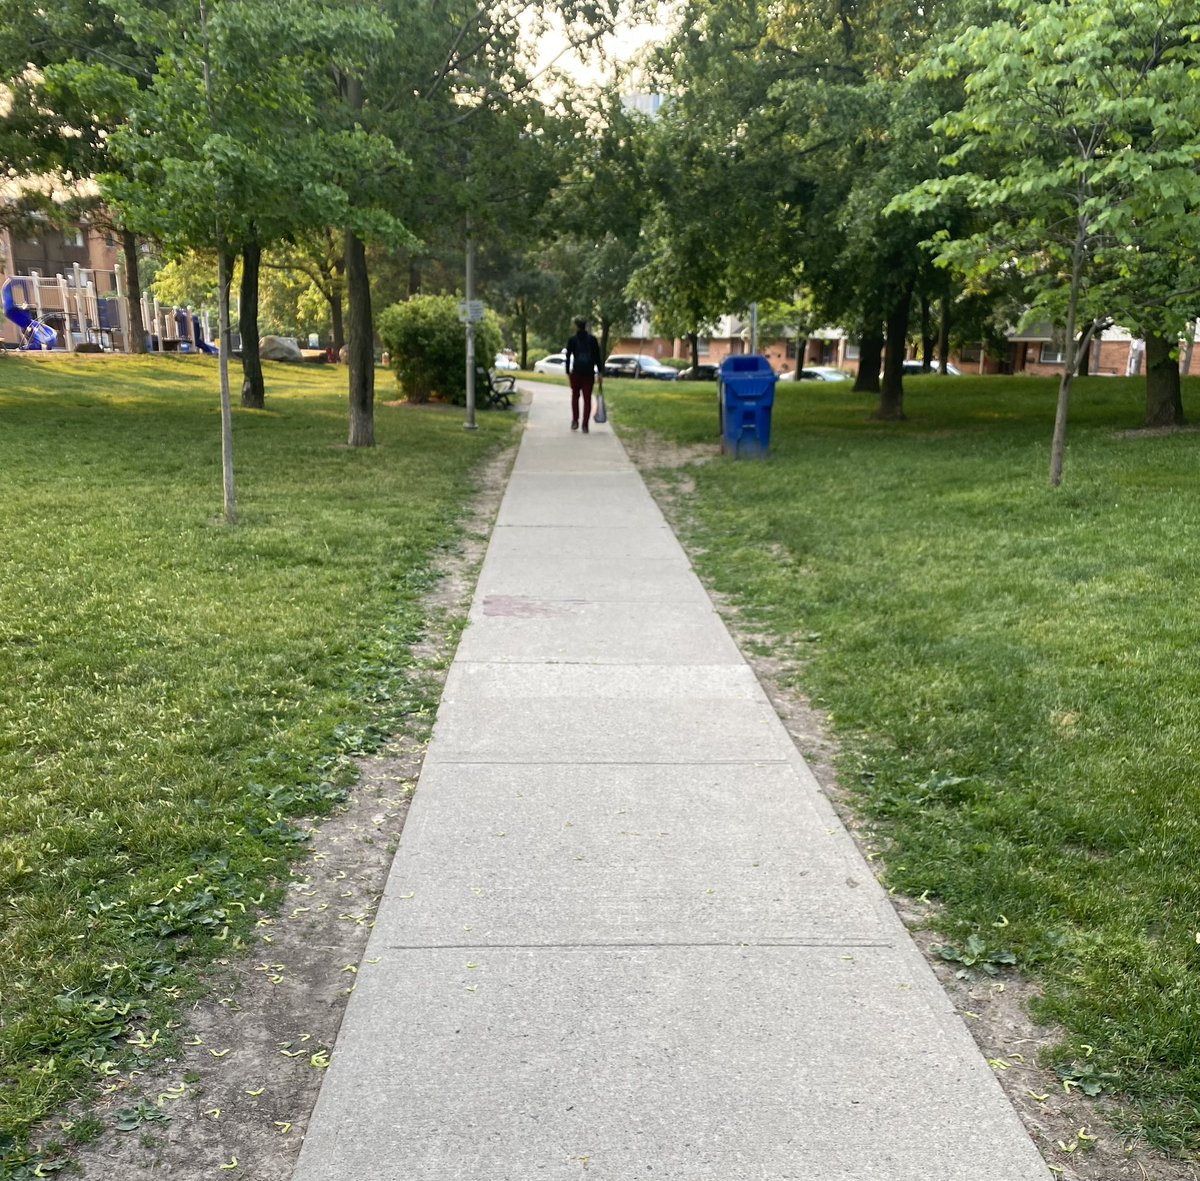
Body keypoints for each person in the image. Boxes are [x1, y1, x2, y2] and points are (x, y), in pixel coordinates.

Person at [564, 317, 603, 433]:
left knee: (575, 397)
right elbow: (597, 357)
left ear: (576, 326)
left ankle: (575, 421)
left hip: (576, 373)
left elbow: (568, 356)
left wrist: (567, 371)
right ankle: (585, 425)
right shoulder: (592, 340)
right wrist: (600, 372)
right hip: (589, 374)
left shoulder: (572, 340)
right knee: (587, 399)